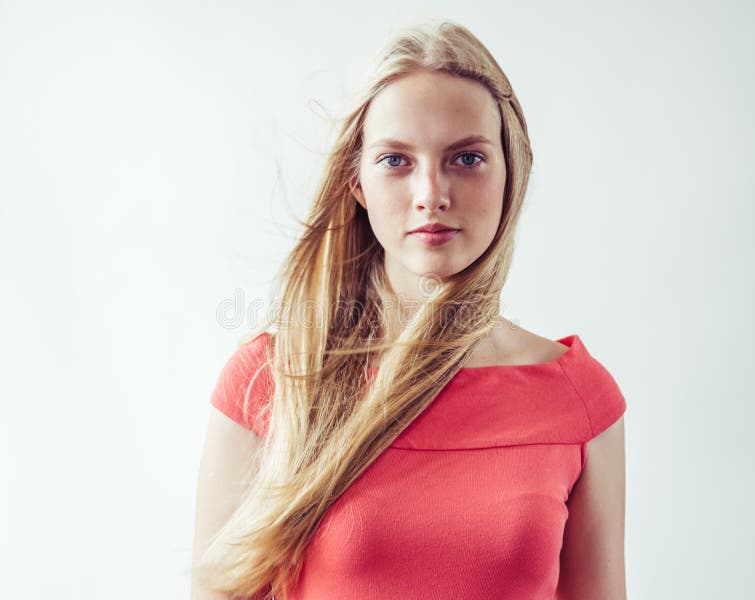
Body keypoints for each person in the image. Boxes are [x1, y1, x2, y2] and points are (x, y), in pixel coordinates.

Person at [191, 19, 627, 600]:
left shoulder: (579, 400)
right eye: (396, 160)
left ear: (509, 174)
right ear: (358, 184)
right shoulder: (269, 380)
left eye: (466, 158)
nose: (431, 193)